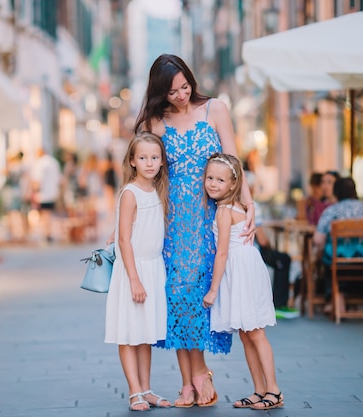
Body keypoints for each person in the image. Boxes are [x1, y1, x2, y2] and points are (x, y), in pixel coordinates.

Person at [133, 53, 255, 408]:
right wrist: (126, 219)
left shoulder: (215, 109)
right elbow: (144, 172)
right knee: (177, 298)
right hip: (170, 223)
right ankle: (190, 381)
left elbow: (233, 161)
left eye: (185, 86)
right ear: (160, 93)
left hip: (209, 220)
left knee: (198, 296)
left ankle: (197, 376)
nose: (182, 95)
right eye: (172, 92)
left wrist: (249, 206)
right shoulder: (156, 121)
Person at [202, 153, 282, 410]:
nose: (213, 184)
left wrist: (213, 290)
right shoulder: (235, 207)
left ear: (233, 184)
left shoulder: (225, 211)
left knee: (256, 333)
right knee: (247, 335)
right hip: (244, 266)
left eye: (220, 180)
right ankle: (259, 389)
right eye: (209, 178)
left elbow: (222, 252)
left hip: (241, 270)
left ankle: (274, 389)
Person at [104, 132, 171, 411]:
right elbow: (124, 240)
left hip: (153, 268)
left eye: (155, 157)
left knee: (146, 333)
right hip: (134, 270)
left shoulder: (158, 189)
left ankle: (147, 388)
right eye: (143, 158)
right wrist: (134, 279)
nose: (149, 163)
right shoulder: (130, 193)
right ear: (132, 161)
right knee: (129, 331)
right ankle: (134, 391)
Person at [313, 177, 363, 312]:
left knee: (327, 256)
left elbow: (318, 240)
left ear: (336, 192)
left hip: (340, 264)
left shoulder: (332, 211)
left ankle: (338, 297)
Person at [246, 171, 299, 319]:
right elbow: (262, 240)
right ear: (249, 188)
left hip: (240, 248)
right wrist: (271, 246)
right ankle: (279, 304)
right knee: (283, 259)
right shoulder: (252, 205)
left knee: (279, 258)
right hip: (252, 250)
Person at [30, 148, 62, 243]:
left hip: (43, 194)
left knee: (45, 214)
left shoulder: (41, 163)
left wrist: (34, 191)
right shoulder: (54, 162)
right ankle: (49, 233)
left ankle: (47, 233)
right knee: (49, 214)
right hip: (53, 192)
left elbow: (37, 180)